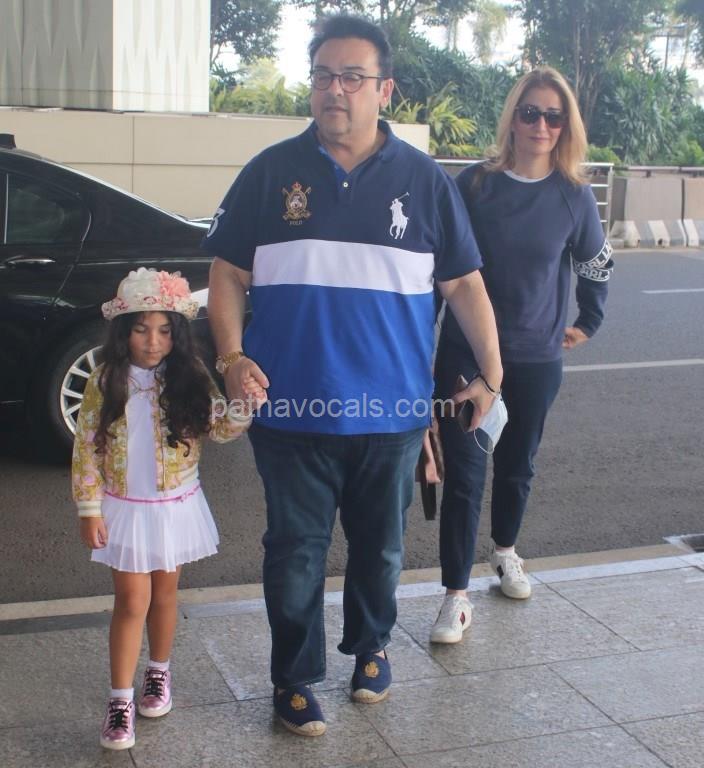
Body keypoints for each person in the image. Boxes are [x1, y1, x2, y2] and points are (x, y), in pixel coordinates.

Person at [203, 15, 501, 737]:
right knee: (294, 554)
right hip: (289, 413)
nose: (334, 90)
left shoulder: (424, 182)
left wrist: (492, 375)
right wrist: (232, 357)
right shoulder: (269, 173)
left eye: (351, 77)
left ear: (384, 89)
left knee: (381, 548)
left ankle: (371, 648)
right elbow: (227, 272)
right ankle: (294, 678)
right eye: (322, 76)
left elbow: (464, 284)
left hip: (391, 415)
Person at [429, 67, 614, 644]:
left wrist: (587, 322)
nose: (541, 125)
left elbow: (597, 263)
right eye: (530, 113)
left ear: (566, 126)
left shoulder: (573, 196)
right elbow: (439, 268)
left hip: (536, 360)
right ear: (513, 118)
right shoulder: (474, 185)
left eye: (554, 117)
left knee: (517, 465)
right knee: (464, 474)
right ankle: (455, 596)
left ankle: (505, 551)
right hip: (466, 356)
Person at [72, 267, 251, 750]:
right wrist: (89, 508)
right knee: (132, 601)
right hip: (125, 508)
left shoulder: (190, 376)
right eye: (141, 329)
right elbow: (86, 445)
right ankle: (119, 700)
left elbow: (220, 429)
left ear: (178, 333)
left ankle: (158, 672)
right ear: (122, 331)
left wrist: (242, 404)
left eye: (165, 331)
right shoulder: (105, 379)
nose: (153, 342)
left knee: (166, 596)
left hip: (174, 506)